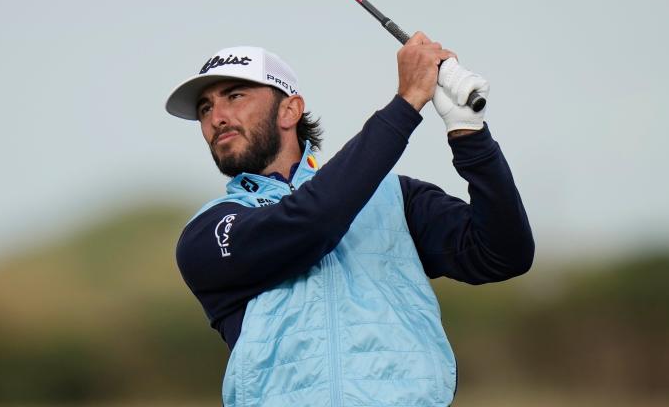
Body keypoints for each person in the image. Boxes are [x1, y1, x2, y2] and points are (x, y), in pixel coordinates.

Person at [167, 34, 534, 407]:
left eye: (234, 96)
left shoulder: (395, 198)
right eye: (204, 108)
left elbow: (504, 254)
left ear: (289, 111)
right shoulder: (209, 232)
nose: (217, 117)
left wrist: (470, 135)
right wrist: (406, 104)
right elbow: (312, 223)